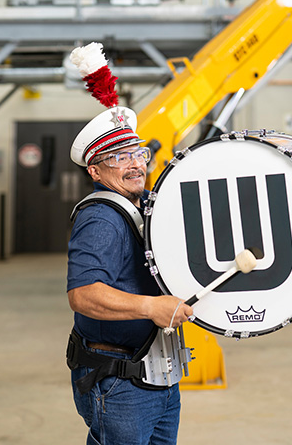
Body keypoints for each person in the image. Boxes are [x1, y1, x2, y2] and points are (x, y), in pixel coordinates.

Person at [65, 42, 194, 445]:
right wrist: (151, 306)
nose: (136, 164)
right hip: (120, 382)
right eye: (120, 157)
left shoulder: (140, 206)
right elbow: (84, 295)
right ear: (95, 170)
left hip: (156, 375)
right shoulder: (101, 217)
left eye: (137, 152)